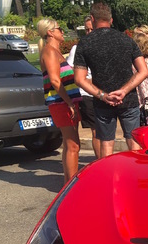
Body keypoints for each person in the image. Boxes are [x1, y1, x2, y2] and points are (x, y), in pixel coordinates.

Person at [73, 2, 148, 158]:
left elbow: (79, 79)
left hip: (102, 102)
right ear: (111, 20)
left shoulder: (85, 43)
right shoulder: (126, 40)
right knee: (133, 141)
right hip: (128, 99)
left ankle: (108, 178)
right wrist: (124, 91)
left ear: (92, 19)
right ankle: (135, 176)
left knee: (106, 144)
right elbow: (143, 71)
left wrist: (104, 95)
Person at [37, 19, 82, 184]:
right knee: (73, 145)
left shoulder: (54, 51)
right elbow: (55, 81)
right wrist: (69, 102)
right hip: (61, 102)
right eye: (60, 29)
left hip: (66, 102)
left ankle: (67, 183)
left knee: (70, 144)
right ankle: (71, 186)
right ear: (50, 32)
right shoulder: (49, 51)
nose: (62, 32)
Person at [66, 16, 101, 158]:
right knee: (97, 131)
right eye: (86, 29)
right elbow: (69, 71)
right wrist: (87, 79)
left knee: (105, 131)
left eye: (92, 29)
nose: (89, 32)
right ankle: (101, 164)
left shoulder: (105, 45)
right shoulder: (77, 48)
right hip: (87, 94)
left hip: (104, 93)